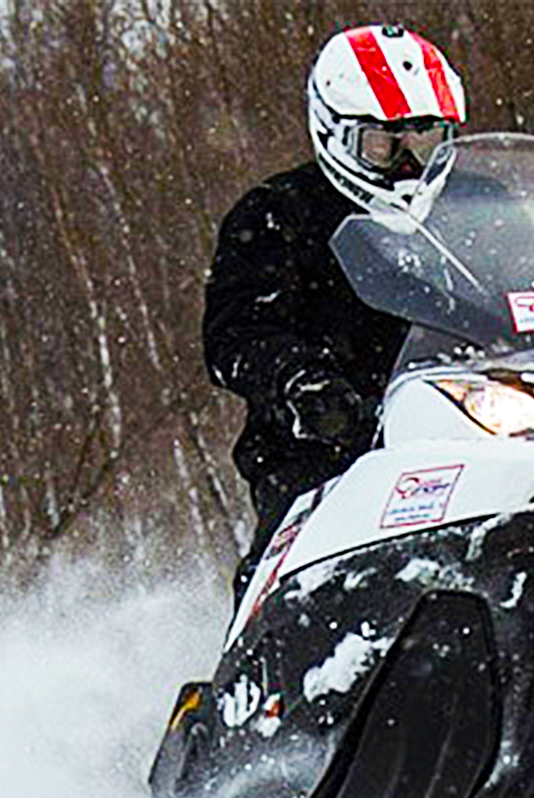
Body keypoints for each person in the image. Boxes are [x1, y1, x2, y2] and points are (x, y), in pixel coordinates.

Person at [202, 23, 467, 604]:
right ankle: (264, 670)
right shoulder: (281, 213)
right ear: (335, 132)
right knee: (300, 575)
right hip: (328, 440)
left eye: (425, 140)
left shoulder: (479, 209)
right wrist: (300, 378)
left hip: (467, 423)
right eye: (383, 144)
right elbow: (235, 333)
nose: (406, 164)